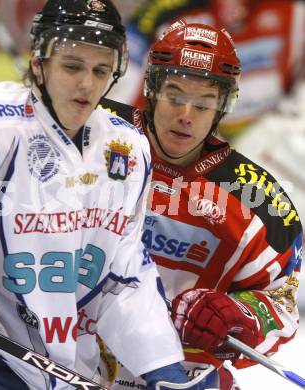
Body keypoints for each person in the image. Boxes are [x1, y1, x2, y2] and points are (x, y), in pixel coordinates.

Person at [0, 1, 199, 389]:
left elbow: (122, 276)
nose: (87, 84)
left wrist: (162, 367)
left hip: (72, 370)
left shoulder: (127, 148)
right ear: (37, 62)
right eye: (71, 67)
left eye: (100, 70)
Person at [97, 19, 303, 390]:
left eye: (204, 103)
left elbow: (283, 303)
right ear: (152, 90)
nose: (186, 115)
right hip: (64, 352)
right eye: (175, 96)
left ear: (223, 106)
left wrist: (238, 314)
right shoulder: (93, 133)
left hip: (179, 372)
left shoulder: (261, 202)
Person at [107, 0, 305, 140]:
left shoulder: (292, 9)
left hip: (271, 140)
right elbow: (122, 107)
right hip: (183, 146)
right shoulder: (161, 17)